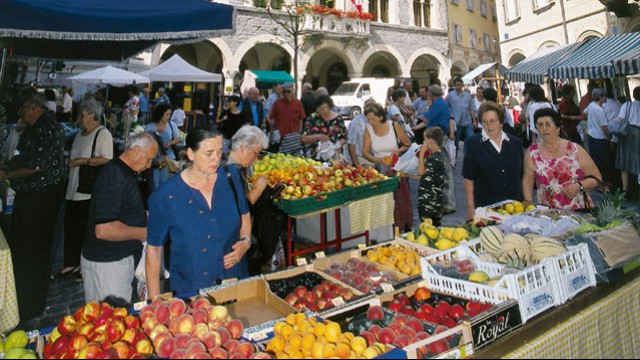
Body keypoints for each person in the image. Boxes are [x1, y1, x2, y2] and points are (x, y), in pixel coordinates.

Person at [146, 130, 251, 298]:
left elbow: (244, 215)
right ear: (190, 154)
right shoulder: (166, 196)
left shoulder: (231, 178)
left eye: (219, 152)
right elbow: (154, 249)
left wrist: (245, 243)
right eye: (208, 153)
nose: (216, 159)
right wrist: (155, 301)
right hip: (192, 289)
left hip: (233, 280)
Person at [1, 92, 67, 320]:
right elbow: (24, 158)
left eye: (22, 109)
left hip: (41, 199)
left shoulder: (46, 128)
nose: (20, 113)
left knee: (33, 254)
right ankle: (21, 302)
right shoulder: (34, 128)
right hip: (31, 197)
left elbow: (37, 165)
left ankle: (29, 306)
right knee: (23, 252)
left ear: (34, 108)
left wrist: (7, 173)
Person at [81, 133, 157, 303]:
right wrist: (143, 233)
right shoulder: (115, 177)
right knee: (111, 320)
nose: (149, 164)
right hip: (108, 265)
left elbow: (122, 212)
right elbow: (104, 229)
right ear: (136, 150)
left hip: (112, 262)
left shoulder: (122, 172)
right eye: (149, 159)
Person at [62, 99, 114, 282]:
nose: (79, 118)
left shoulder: (103, 134)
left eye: (82, 114)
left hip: (88, 191)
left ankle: (85, 268)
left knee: (86, 230)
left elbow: (107, 158)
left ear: (93, 115)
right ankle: (72, 262)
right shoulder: (79, 135)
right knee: (72, 228)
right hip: (73, 188)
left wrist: (83, 161)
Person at [523, 108, 602, 209]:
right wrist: (528, 208)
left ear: (558, 127)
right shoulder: (532, 153)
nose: (544, 128)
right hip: (548, 213)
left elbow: (597, 178)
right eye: (539, 125)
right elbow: (528, 181)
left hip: (578, 211)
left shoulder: (575, 149)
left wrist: (579, 186)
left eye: (548, 124)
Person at [463, 102, 524, 221]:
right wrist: (470, 208)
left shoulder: (515, 143)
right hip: (486, 209)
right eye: (485, 122)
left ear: (501, 122)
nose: (489, 126)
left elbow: (521, 175)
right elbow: (468, 179)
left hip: (515, 209)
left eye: (493, 121)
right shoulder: (472, 144)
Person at [362, 102, 413, 231]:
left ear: (380, 117)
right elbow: (365, 152)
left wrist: (397, 152)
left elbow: (407, 144)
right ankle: (386, 229)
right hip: (381, 170)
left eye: (373, 118)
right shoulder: (368, 129)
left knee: (401, 199)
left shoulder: (394, 126)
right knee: (385, 201)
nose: (370, 121)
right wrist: (378, 160)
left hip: (397, 168)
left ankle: (403, 226)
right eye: (368, 118)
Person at [412, 85, 456, 214]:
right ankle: (441, 202)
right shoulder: (441, 103)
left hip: (438, 138)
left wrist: (415, 128)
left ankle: (448, 203)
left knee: (444, 171)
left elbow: (425, 119)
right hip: (438, 137)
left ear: (431, 94)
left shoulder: (437, 104)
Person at [146, 104, 181, 192]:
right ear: (160, 114)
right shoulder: (150, 127)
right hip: (155, 161)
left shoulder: (172, 125)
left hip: (169, 160)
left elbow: (177, 138)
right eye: (167, 115)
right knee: (155, 187)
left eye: (170, 114)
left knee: (167, 187)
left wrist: (170, 143)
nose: (169, 117)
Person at [301, 95, 347, 160]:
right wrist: (318, 137)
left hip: (334, 159)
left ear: (329, 107)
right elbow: (303, 139)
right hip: (315, 159)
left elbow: (344, 137)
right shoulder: (313, 118)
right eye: (319, 108)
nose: (321, 111)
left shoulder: (338, 119)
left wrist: (339, 145)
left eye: (324, 108)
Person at [417, 127, 447, 226]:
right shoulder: (435, 157)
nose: (423, 142)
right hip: (432, 200)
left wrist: (421, 153)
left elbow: (421, 171)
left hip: (430, 201)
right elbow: (424, 175)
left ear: (430, 141)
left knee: (428, 228)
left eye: (425, 139)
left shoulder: (435, 158)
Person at [615, 86, 640, 193]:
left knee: (624, 160)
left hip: (628, 133)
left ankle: (625, 188)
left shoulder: (627, 105)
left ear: (633, 95)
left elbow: (620, 119)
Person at [269, 82, 306, 154]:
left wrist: (299, 132)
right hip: (281, 138)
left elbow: (301, 119)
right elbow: (273, 119)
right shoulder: (277, 103)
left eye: (288, 91)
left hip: (294, 137)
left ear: (293, 91)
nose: (286, 93)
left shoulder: (298, 103)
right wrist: (271, 136)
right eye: (284, 91)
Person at [583, 88, 611, 182]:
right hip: (601, 138)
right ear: (600, 97)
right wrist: (609, 138)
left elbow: (584, 112)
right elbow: (604, 127)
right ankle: (606, 183)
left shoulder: (591, 105)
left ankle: (598, 181)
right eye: (604, 95)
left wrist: (591, 120)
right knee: (605, 162)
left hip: (591, 136)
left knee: (597, 162)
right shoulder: (600, 110)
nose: (606, 97)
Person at [446, 78, 477, 149]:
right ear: (454, 85)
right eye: (457, 85)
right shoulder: (450, 96)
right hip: (456, 123)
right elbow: (446, 107)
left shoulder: (467, 95)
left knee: (471, 141)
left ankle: (469, 157)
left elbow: (471, 108)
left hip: (467, 122)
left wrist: (474, 120)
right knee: (456, 143)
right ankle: (455, 158)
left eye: (460, 85)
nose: (459, 86)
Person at [347, 99, 376, 166]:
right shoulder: (355, 123)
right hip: (362, 160)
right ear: (364, 108)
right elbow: (351, 143)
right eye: (368, 107)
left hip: (375, 158)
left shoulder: (377, 120)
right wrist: (356, 163)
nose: (371, 109)